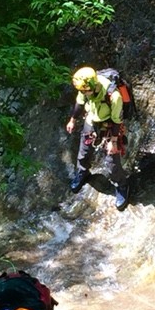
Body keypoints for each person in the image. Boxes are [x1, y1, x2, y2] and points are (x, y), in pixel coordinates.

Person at [65, 66, 130, 209]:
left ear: (93, 86)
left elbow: (117, 121)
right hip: (92, 120)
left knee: (112, 161)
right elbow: (80, 103)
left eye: (85, 91)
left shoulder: (113, 96)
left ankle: (122, 185)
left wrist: (113, 142)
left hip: (109, 123)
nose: (83, 93)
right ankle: (83, 172)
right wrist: (73, 120)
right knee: (84, 151)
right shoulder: (85, 88)